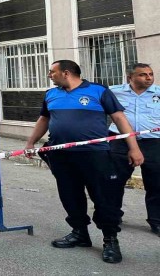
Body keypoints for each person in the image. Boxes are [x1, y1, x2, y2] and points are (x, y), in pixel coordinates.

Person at [24, 60, 143, 264]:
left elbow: (119, 118)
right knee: (70, 195)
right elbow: (44, 119)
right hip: (61, 155)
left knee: (104, 197)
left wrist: (133, 147)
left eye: (52, 72)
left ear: (66, 73)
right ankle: (80, 233)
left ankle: (110, 239)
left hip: (94, 154)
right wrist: (30, 142)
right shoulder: (51, 94)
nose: (49, 75)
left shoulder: (98, 91)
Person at [108, 63, 160, 237]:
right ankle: (113, 216)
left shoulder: (158, 93)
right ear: (130, 77)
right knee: (115, 180)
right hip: (120, 140)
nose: (149, 78)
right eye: (143, 74)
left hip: (153, 141)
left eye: (150, 74)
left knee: (156, 182)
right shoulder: (113, 92)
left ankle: (157, 220)